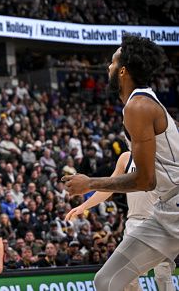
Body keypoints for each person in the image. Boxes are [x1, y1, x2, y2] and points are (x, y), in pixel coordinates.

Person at [63, 35, 179, 291]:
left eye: (112, 62)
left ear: (123, 70)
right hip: (164, 211)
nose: (108, 67)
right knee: (106, 281)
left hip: (174, 206)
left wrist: (89, 182)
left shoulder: (139, 106)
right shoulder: (137, 104)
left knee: (160, 280)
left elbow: (145, 180)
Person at [66, 150, 175, 290]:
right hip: (135, 221)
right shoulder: (126, 158)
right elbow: (108, 188)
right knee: (128, 279)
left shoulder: (162, 155)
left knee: (163, 274)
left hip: (159, 220)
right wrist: (84, 206)